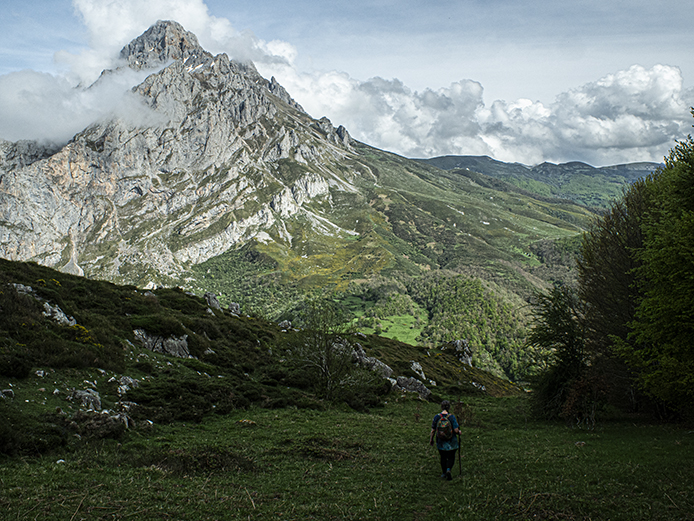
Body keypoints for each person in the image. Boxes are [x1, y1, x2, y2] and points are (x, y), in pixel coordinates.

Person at [429, 400, 461, 480]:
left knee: (443, 457)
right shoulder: (451, 417)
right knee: (451, 456)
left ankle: (443, 473)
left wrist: (431, 439)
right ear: (449, 407)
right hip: (451, 441)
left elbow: (433, 430)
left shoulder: (437, 417)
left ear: (441, 407)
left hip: (440, 441)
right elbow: (456, 430)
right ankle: (448, 470)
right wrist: (459, 432)